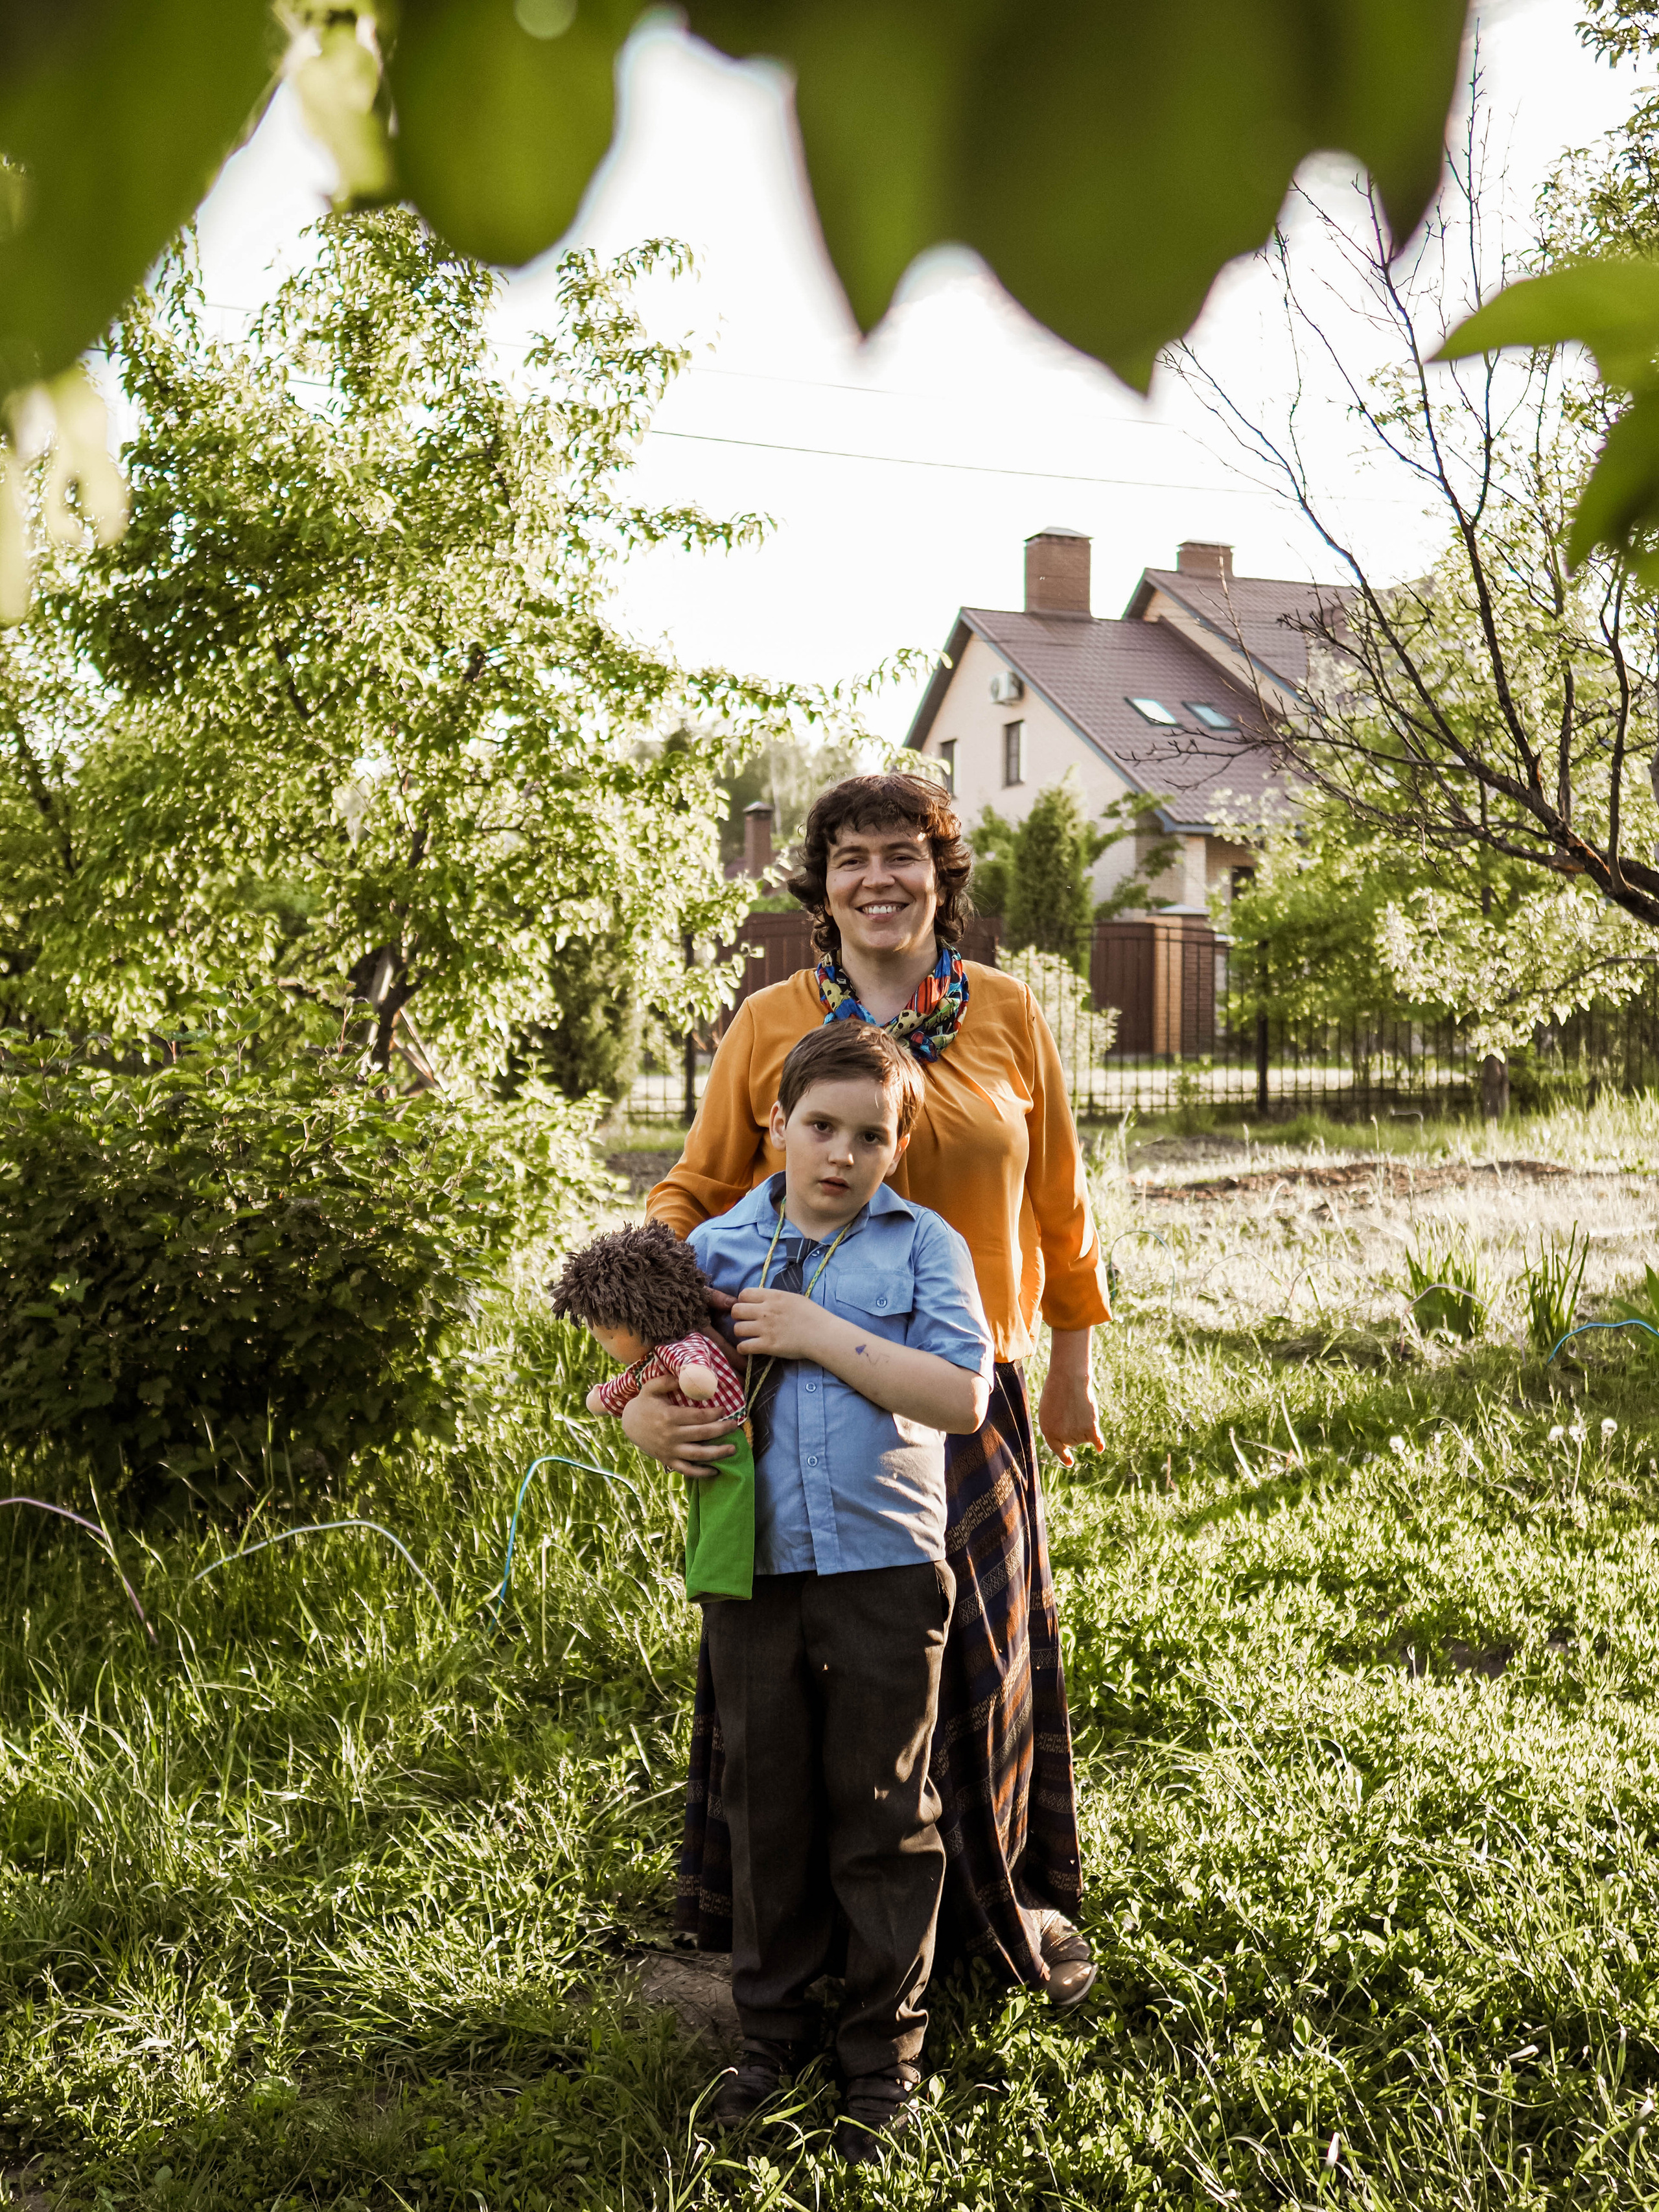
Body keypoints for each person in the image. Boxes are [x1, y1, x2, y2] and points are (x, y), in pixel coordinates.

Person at [630, 771, 1108, 2008]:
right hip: (798, 1407)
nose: (879, 877)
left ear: (942, 875)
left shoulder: (1007, 1012)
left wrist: (1071, 1359)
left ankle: (987, 1914)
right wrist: (648, 1373)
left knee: (970, 1671)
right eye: (852, 856)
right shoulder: (770, 1022)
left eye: (905, 852)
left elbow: (1059, 1200)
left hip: (964, 1394)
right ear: (822, 881)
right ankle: (806, 1951)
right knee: (805, 1685)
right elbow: (686, 1202)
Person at [686, 1019, 991, 2163]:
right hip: (752, 1567)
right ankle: (768, 2034)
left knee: (883, 1808)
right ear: (777, 1123)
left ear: (898, 1146)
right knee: (764, 1802)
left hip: (885, 1565)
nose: (841, 1154)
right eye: (820, 1125)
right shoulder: (716, 1251)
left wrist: (816, 1332)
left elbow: (962, 1395)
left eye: (871, 1135)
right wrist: (640, 1419)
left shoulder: (922, 1246)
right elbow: (639, 1380)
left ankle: (882, 2058)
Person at [547, 1222, 754, 1600]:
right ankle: (706, 1572)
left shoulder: (680, 1346)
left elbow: (694, 1369)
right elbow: (620, 1390)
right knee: (703, 1504)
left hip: (725, 1428)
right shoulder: (647, 1364)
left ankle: (722, 1578)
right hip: (696, 1438)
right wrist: (604, 1402)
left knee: (730, 1492)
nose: (608, 1345)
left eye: (611, 1334)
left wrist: (694, 1377)